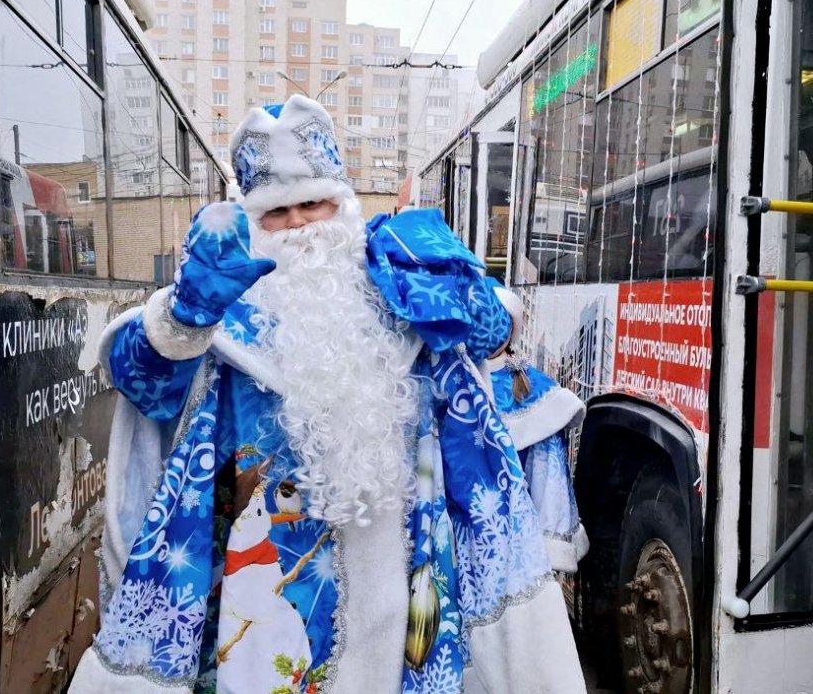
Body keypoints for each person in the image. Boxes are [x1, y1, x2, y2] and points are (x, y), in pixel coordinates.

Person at [69, 95, 585, 694]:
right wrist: (182, 316)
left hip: (404, 572)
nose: (298, 226)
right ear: (252, 223)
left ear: (341, 205)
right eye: (276, 212)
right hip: (273, 599)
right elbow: (141, 382)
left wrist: (466, 292)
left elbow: (491, 339)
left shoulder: (402, 284)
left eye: (311, 203)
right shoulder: (222, 310)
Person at [487, 288, 589, 573]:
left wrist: (548, 548)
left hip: (513, 540)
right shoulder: (458, 376)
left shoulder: (534, 390)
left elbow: (548, 475)